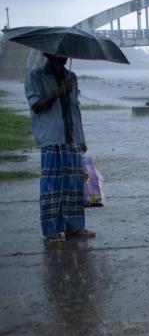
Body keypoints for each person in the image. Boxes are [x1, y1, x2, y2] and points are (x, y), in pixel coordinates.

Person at [24, 53, 96, 245]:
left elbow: (75, 107)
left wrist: (82, 136)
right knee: (52, 187)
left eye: (66, 52)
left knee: (74, 185)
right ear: (48, 53)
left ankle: (75, 227)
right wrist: (60, 90)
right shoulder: (35, 76)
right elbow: (36, 106)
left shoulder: (71, 77)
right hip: (52, 137)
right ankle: (51, 230)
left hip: (72, 138)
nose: (64, 56)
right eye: (60, 52)